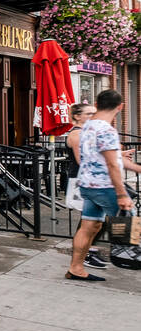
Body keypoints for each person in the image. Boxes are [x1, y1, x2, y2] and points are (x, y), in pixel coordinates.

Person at [68, 89, 141, 281]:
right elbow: (111, 164)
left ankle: (76, 268)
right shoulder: (107, 130)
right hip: (106, 187)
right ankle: (127, 258)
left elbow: (112, 159)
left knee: (89, 227)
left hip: (88, 186)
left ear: (98, 104)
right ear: (120, 107)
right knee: (131, 224)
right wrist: (122, 194)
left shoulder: (87, 128)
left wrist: (137, 169)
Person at [65, 103, 107, 269]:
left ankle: (86, 251)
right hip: (82, 181)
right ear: (77, 116)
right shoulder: (76, 134)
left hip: (91, 179)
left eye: (94, 113)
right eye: (89, 114)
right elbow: (82, 160)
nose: (93, 116)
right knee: (90, 220)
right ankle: (84, 254)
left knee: (94, 219)